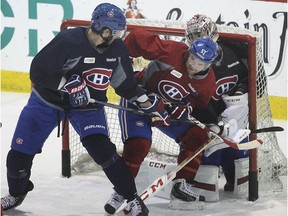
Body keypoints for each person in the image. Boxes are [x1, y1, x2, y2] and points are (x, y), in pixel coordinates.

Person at [0, 3, 171, 216]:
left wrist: (147, 103)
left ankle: (131, 198)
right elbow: (38, 72)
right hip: (48, 101)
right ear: (105, 30)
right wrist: (65, 84)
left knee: (103, 150)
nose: (120, 36)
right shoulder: (68, 42)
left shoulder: (117, 49)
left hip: (86, 106)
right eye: (116, 31)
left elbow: (125, 85)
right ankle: (17, 192)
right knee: (18, 155)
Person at [104, 28, 221, 212]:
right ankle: (121, 191)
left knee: (198, 135)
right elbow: (136, 36)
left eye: (200, 64)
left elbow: (198, 104)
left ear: (209, 65)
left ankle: (181, 185)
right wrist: (123, 59)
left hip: (163, 112)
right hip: (138, 102)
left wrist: (185, 108)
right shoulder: (171, 50)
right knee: (139, 144)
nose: (194, 65)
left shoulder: (208, 82)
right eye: (192, 59)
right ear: (189, 53)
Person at [184, 14, 250, 200]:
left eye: (199, 35)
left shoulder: (234, 51)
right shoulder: (191, 61)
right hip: (207, 116)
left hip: (233, 115)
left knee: (237, 148)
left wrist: (240, 92)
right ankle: (204, 183)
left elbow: (249, 80)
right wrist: (212, 123)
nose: (196, 41)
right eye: (192, 36)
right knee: (210, 145)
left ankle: (235, 179)